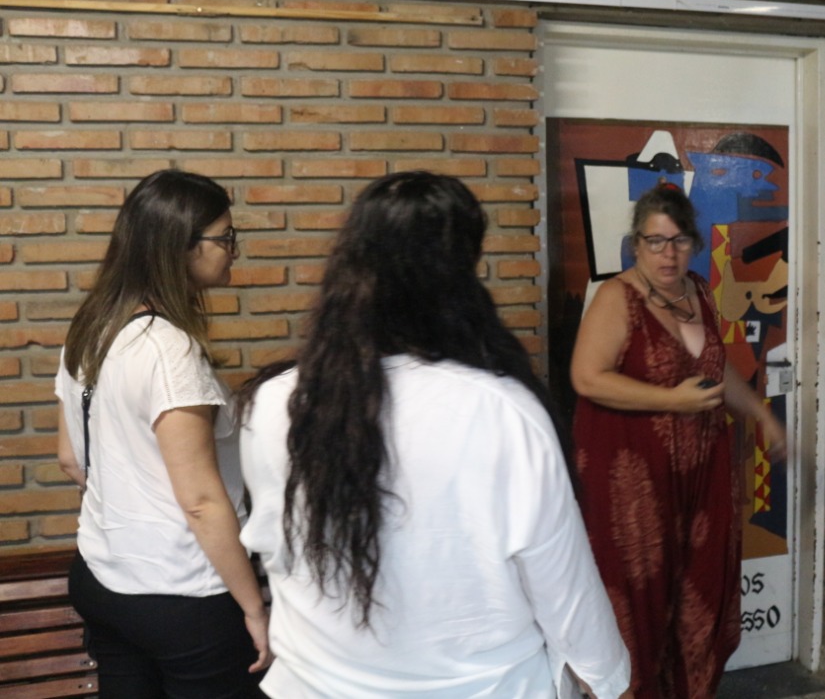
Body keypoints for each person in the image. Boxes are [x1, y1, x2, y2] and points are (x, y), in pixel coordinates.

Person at [237, 171, 632, 699]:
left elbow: (274, 548)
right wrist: (607, 677)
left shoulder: (275, 402)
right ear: (461, 275)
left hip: (312, 685)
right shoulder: (500, 410)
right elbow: (562, 584)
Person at [54, 169, 270, 698]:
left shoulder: (92, 327)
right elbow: (200, 501)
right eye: (225, 236)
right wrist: (253, 606)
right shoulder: (169, 350)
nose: (233, 250)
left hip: (102, 576)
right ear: (182, 246)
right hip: (182, 595)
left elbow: (70, 458)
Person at [570, 181, 788, 699]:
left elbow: (715, 369)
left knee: (697, 595)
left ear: (693, 243)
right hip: (634, 488)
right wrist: (673, 400)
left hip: (700, 478)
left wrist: (761, 414)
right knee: (638, 604)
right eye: (655, 241)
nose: (667, 254)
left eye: (678, 241)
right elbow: (587, 378)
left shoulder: (699, 291)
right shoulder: (616, 297)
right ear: (636, 245)